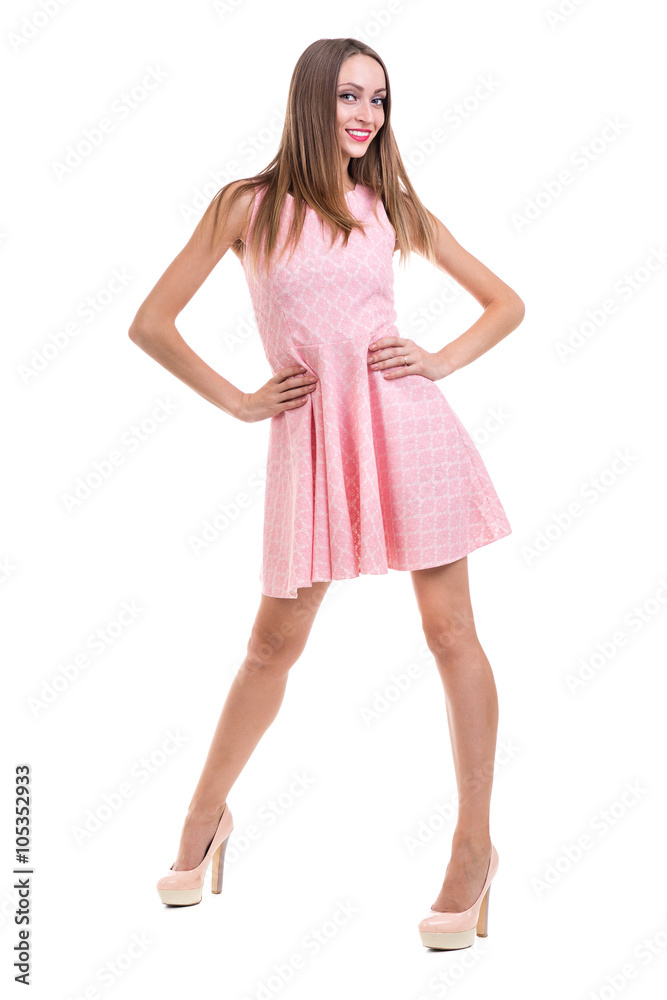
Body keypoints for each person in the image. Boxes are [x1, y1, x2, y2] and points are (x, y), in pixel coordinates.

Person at [128, 37, 524, 949]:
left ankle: (473, 849)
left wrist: (438, 359)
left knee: (451, 633)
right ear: (311, 98)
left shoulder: (390, 205)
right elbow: (151, 323)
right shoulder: (246, 206)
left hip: (407, 432)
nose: (366, 115)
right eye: (350, 95)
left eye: (378, 100)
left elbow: (505, 303)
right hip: (310, 440)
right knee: (271, 643)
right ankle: (204, 818)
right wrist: (239, 400)